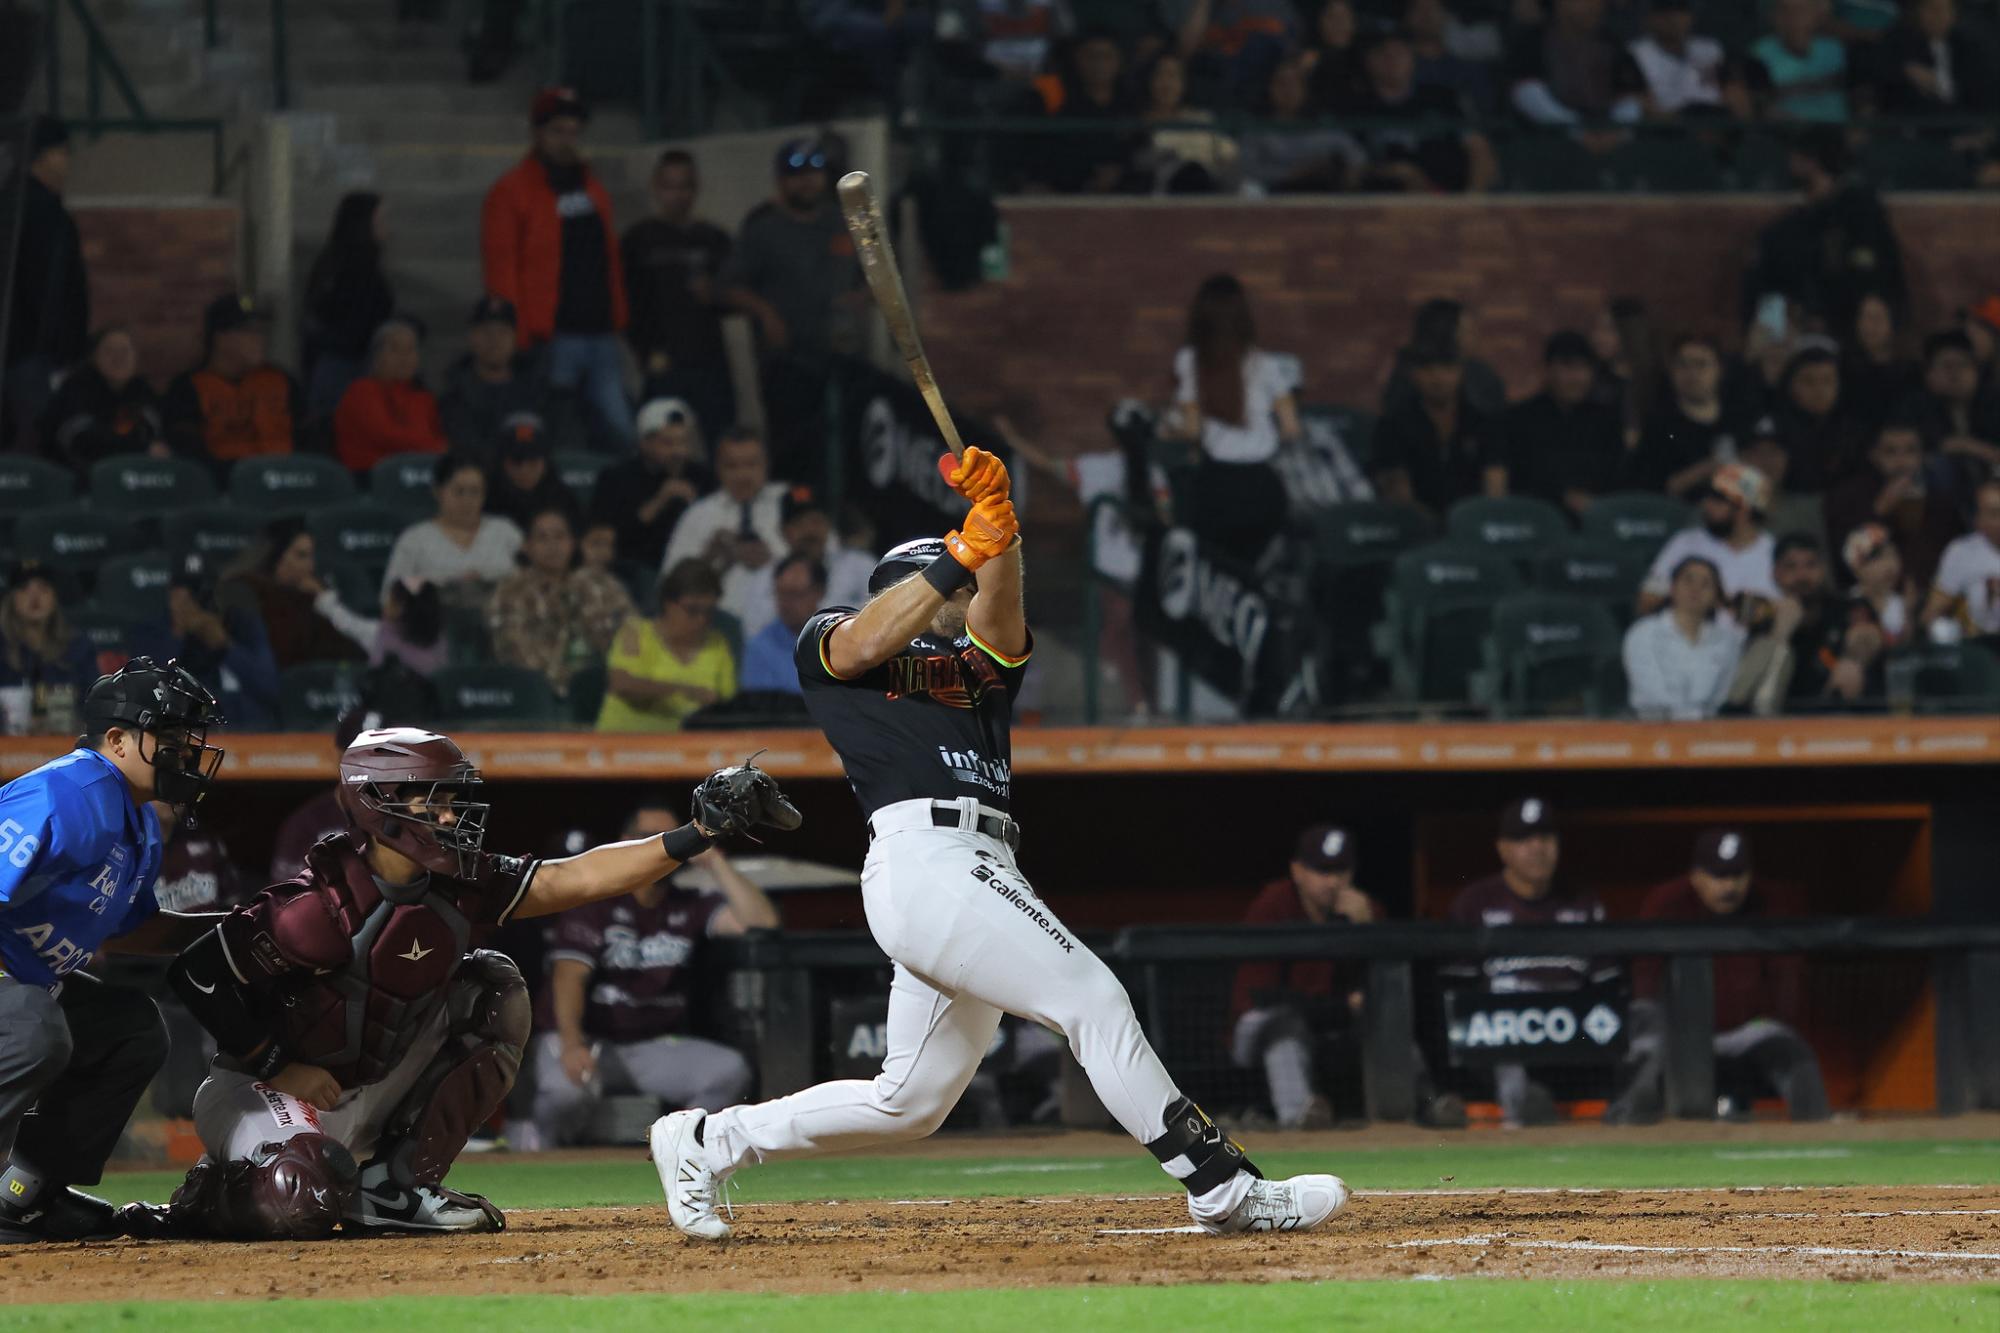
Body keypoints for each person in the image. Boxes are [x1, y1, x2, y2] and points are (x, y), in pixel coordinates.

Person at [650, 443, 1347, 1242]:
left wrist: (1002, 531)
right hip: (924, 858)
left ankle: (706, 1140)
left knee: (908, 1101)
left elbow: (1002, 622)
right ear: (908, 582)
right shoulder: (836, 637)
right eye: (953, 577)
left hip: (978, 865)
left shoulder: (979, 665)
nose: (967, 585)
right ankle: (1221, 1185)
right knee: (1092, 999)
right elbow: (862, 643)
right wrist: (958, 553)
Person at [117, 729, 798, 1239]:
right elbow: (199, 972)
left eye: (453, 800)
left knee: (492, 985)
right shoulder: (316, 901)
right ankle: (203, 1197)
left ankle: (394, 1184)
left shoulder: (462, 880)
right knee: (304, 1197)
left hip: (366, 1080)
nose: (451, 816)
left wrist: (697, 831)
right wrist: (277, 1062)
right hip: (267, 1090)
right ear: (379, 804)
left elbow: (573, 877)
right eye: (434, 800)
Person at [0, 660, 227, 1242]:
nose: (184, 754)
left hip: (25, 982)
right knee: (32, 1027)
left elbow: (133, 928)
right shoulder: (68, 791)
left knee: (129, 1028)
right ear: (118, 740)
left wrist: (252, 924)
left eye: (187, 741)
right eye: (170, 740)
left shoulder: (140, 826)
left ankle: (25, 1193)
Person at [532, 800, 779, 1146]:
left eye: (672, 837)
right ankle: (541, 1161)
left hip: (651, 1044)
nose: (664, 846)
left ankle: (677, 1149)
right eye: (651, 838)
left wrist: (713, 860)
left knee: (728, 1070)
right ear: (627, 841)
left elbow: (761, 922)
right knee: (563, 1093)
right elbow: (568, 977)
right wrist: (572, 1044)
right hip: (589, 1038)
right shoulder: (596, 899)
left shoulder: (686, 902)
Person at [1230, 825, 1463, 1129]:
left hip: (1331, 1027)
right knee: (1283, 1027)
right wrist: (1339, 1007)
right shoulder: (1274, 905)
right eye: (1321, 871)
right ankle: (1299, 1118)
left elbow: (1391, 992)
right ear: (1297, 871)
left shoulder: (1364, 911)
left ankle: (1427, 1104)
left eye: (1340, 871)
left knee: (1386, 1022)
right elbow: (1262, 997)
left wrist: (1366, 930)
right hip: (1259, 1031)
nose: (1333, 882)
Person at [1609, 829, 1829, 1124]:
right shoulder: (1667, 902)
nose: (1730, 886)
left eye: (1738, 876)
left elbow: (1786, 980)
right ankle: (1622, 1127)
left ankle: (1817, 1132)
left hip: (1745, 1031)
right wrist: (1659, 1027)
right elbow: (1646, 981)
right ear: (1696, 876)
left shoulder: (1769, 901)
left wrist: (1770, 1018)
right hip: (1676, 1034)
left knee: (1790, 1049)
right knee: (1645, 1047)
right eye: (1719, 876)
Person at [480, 87, 633, 452]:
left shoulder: (593, 188)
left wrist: (619, 314)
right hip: (552, 335)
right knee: (557, 431)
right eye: (558, 131)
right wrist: (516, 333)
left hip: (599, 331)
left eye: (573, 132)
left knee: (622, 430)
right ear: (538, 134)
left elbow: (607, 258)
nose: (567, 140)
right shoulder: (512, 191)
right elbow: (502, 265)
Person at [1446, 797, 1609, 1128]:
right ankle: (1520, 1119)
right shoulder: (1475, 902)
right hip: (1499, 1040)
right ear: (1503, 849)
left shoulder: (1583, 900)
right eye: (1524, 840)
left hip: (1574, 1039)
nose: (1537, 848)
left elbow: (1610, 986)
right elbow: (1455, 993)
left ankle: (1629, 1122)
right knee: (1501, 1034)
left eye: (1545, 838)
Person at [721, 138, 864, 479]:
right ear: (781, 180)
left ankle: (840, 515)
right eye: (797, 174)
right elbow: (726, 287)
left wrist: (860, 299)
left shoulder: (841, 222)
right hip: (786, 359)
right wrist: (765, 312)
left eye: (814, 172)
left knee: (849, 443)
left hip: (840, 355)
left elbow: (872, 277)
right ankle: (795, 512)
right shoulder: (763, 227)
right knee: (793, 447)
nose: (807, 181)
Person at [1162, 273, 1297, 561]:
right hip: (1265, 489)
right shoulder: (1268, 365)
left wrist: (1168, 431)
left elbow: (1192, 430)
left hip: (1218, 489)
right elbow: (1291, 429)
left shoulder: (1191, 361)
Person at [621, 149, 735, 440]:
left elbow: (738, 293)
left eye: (685, 186)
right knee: (660, 442)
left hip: (709, 359)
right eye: (670, 186)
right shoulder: (638, 240)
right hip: (662, 360)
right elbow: (626, 302)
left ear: (695, 189)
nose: (678, 195)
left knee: (718, 436)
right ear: (656, 188)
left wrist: (718, 294)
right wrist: (644, 351)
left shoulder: (714, 239)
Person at [1746, 127, 1904, 330]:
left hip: (1850, 330)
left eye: (1796, 157)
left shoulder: (1860, 213)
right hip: (1801, 333)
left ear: (1811, 161)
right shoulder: (1786, 229)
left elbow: (1876, 278)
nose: (1789, 163)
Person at [488, 505, 634, 699]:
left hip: (608, 692)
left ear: (573, 543)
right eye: (542, 538)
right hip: (542, 696)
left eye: (559, 537)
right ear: (527, 546)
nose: (552, 546)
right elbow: (516, 656)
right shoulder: (511, 593)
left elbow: (632, 636)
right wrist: (569, 687)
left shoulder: (601, 584)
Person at [4, 117, 87, 449]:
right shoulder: (43, 213)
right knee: (31, 446)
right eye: (62, 151)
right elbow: (49, 290)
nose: (67, 161)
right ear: (42, 155)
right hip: (31, 358)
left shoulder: (14, 203)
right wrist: (58, 351)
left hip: (22, 352)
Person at [130, 555, 281, 732]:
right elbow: (147, 695)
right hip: (181, 734)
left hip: (247, 734)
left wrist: (226, 646)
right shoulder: (151, 630)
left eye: (205, 595)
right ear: (172, 596)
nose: (199, 604)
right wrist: (178, 634)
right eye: (190, 596)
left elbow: (270, 688)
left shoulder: (242, 626)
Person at [1368, 333, 1505, 519]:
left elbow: (1494, 487)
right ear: (1412, 373)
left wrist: (1480, 522)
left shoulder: (1481, 422)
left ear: (1461, 371)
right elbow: (1397, 492)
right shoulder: (1392, 425)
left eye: (1447, 367)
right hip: (1416, 528)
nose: (1437, 376)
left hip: (1475, 526)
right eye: (1427, 368)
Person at [1340, 29, 1494, 194]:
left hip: (1445, 200)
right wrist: (1398, 173)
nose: (1392, 60)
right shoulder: (1354, 106)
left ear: (1412, 57)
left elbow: (1479, 150)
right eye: (1382, 52)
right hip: (1377, 203)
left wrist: (1470, 200)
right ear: (1368, 60)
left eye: (1399, 52)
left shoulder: (1443, 99)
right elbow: (1347, 170)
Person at [162, 295, 303, 467]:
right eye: (250, 330)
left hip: (289, 482)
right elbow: (189, 457)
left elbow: (308, 442)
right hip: (225, 488)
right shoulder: (188, 388)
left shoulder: (283, 381)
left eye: (263, 330)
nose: (260, 338)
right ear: (220, 337)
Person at [596, 560, 736, 733]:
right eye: (692, 610)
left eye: (709, 612)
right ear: (668, 603)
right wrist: (682, 690)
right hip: (623, 744)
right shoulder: (635, 632)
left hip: (688, 749)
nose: (701, 620)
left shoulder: (718, 644)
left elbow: (726, 701)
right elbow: (622, 684)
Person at [1822, 420, 1962, 592]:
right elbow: (1847, 560)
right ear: (1874, 455)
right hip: (1871, 597)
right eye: (1891, 452)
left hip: (1930, 596)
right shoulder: (1849, 497)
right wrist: (1879, 511)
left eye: (1910, 451)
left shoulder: (1939, 498)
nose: (1901, 461)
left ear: (1922, 455)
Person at [1502, 330, 1627, 520]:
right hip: (1537, 519)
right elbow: (1521, 477)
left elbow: (1618, 475)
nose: (1576, 378)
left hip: (1599, 519)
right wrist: (1563, 497)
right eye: (1568, 368)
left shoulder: (1606, 420)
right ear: (1548, 369)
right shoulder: (1521, 418)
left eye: (1584, 368)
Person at [380, 455, 524, 607]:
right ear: (438, 492)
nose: (467, 501)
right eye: (459, 492)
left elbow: (532, 581)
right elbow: (391, 597)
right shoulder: (414, 539)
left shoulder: (505, 531)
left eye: (475, 492)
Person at [589, 397, 715, 570]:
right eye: (668, 443)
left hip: (691, 571)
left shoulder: (702, 477)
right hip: (633, 571)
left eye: (683, 442)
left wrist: (697, 509)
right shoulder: (616, 478)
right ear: (644, 443)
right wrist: (658, 503)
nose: (678, 452)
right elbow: (607, 540)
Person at [1639, 463, 1780, 617]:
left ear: (1743, 510)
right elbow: (1646, 603)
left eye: (1717, 499)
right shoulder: (1686, 542)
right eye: (1707, 496)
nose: (1706, 504)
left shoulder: (1776, 553)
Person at [301, 192, 395, 420]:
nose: (388, 228)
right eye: (380, 221)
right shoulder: (350, 269)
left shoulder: (341, 263)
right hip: (346, 368)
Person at [228, 521, 366, 672]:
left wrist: (324, 601)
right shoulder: (244, 592)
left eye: (311, 556)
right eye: (301, 556)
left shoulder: (311, 599)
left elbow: (355, 652)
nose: (310, 567)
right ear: (276, 557)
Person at [1623, 556, 1747, 720]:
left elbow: (1721, 696)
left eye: (1706, 584)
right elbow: (1651, 693)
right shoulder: (1643, 633)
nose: (1695, 589)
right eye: (1688, 581)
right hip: (1651, 729)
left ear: (1716, 598)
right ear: (1673, 587)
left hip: (1708, 732)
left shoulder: (1727, 641)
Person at [658, 426, 788, 579]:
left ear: (766, 464)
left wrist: (773, 561)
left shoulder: (789, 502)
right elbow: (668, 585)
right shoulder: (697, 515)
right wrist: (707, 559)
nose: (742, 475)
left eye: (751, 464)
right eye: (732, 466)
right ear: (718, 469)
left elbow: (819, 567)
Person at [1631, 334, 1749, 499]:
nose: (1691, 373)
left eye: (1701, 365)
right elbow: (1649, 489)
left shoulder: (1739, 419)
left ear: (1720, 370)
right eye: (1682, 365)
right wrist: (1706, 469)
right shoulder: (1658, 425)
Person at [39, 327, 167, 474]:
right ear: (94, 357)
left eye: (125, 351)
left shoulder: (141, 390)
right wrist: (141, 448)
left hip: (136, 479)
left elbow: (154, 433)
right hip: (78, 481)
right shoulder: (77, 388)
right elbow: (81, 438)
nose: (118, 358)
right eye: (109, 351)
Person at [334, 317, 450, 473]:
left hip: (419, 475)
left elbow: (428, 436)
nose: (404, 356)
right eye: (395, 349)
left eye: (410, 349)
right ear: (376, 356)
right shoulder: (361, 391)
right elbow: (385, 435)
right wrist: (437, 448)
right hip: (368, 479)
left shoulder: (423, 398)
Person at [438, 296, 544, 464]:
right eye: (486, 332)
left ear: (515, 338)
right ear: (472, 338)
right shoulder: (454, 393)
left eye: (503, 332)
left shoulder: (537, 388)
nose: (495, 341)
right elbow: (464, 445)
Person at [1506, 0, 1644, 127]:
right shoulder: (1533, 40)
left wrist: (1613, 129)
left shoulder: (1612, 43)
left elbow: (1638, 96)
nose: (1594, 5)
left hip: (1610, 130)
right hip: (1550, 135)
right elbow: (1523, 93)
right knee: (1529, 92)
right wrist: (1575, 129)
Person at [0, 562, 98, 737]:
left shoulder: (78, 646)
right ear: (12, 599)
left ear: (54, 598)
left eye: (43, 589)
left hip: (64, 744)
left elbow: (93, 704)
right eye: (24, 589)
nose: (34, 597)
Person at [722, 487, 833, 641]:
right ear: (783, 531)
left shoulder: (860, 567)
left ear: (828, 526)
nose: (809, 531)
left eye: (816, 522)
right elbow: (755, 638)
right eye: (799, 524)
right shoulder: (764, 579)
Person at [1239, 52, 1358, 194]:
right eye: (1282, 83)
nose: (1288, 90)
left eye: (1295, 83)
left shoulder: (1323, 125)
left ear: (1305, 89)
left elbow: (1356, 157)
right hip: (1273, 198)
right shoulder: (1257, 128)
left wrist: (1348, 177)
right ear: (1270, 88)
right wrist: (1294, 174)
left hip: (1324, 198)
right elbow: (1249, 170)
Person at [1135, 50, 1239, 194]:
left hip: (1210, 193)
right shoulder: (1138, 124)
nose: (1167, 83)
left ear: (1184, 83)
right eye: (1160, 75)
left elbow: (1228, 156)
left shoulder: (1201, 119)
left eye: (1173, 76)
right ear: (1149, 80)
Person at [1872, 0, 1996, 119]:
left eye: (1945, 9)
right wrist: (1907, 73)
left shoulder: (1969, 47)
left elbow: (1980, 91)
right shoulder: (1900, 45)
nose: (1939, 15)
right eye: (1932, 9)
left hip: (1967, 123)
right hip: (1919, 127)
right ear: (1918, 12)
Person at [1626, 0, 1743, 120]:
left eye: (1680, 12)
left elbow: (1733, 91)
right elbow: (1636, 102)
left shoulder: (1710, 49)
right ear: (1650, 18)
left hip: (1716, 122)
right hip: (1667, 127)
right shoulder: (1637, 53)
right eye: (1665, 13)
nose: (1674, 18)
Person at [1748, 0, 1850, 122]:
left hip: (1838, 129)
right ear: (1773, 15)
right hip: (1784, 134)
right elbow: (1757, 104)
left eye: (1801, 10)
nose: (1792, 17)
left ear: (1818, 14)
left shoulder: (1834, 49)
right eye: (1784, 10)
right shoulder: (1759, 53)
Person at [739, 554, 826, 696]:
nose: (786, 603)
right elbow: (761, 708)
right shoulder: (759, 647)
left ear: (818, 593)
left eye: (795, 594)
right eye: (781, 593)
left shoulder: (838, 639)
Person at [1923, 479, 2000, 637]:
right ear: (1978, 519)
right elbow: (1932, 614)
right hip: (1979, 646)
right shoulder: (1961, 552)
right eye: (1995, 513)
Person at [1841, 292, 1922, 435]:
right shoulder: (1843, 368)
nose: (1871, 326)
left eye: (1878, 318)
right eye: (1866, 317)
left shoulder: (1912, 372)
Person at [484, 413, 578, 534]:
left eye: (533, 460)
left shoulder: (564, 503)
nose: (525, 469)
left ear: (545, 463)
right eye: (516, 461)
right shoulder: (484, 501)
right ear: (502, 463)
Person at [1841, 521, 1914, 651]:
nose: (1890, 566)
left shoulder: (1898, 600)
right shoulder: (1849, 605)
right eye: (1878, 559)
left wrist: (1909, 611)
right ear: (1856, 567)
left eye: (1892, 555)